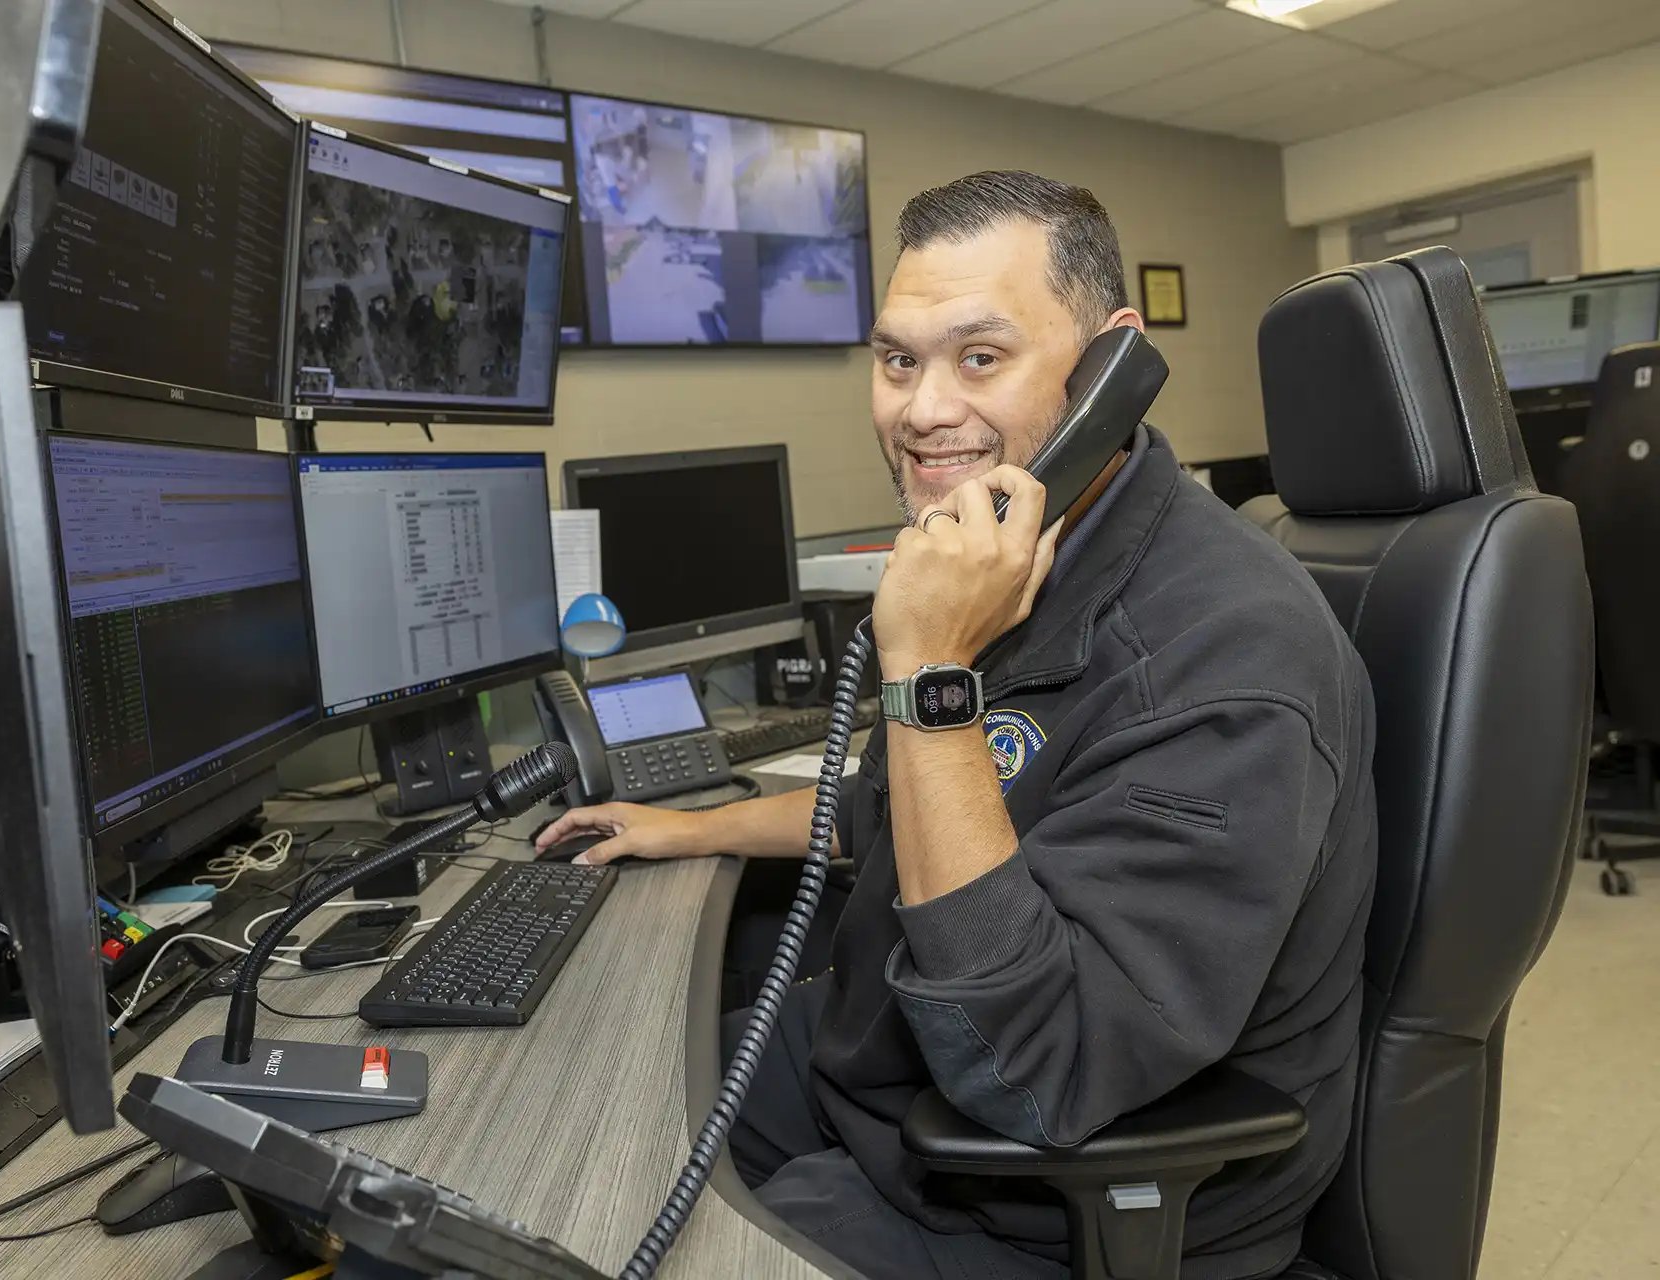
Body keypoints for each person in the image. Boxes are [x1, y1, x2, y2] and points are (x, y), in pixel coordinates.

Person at [536, 171, 1377, 1280]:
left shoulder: (1227, 654)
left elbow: (1038, 1065)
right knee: (572, 1123)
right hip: (894, 1063)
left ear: (1109, 368)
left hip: (1036, 1190)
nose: (923, 409)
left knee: (638, 1239)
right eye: (897, 359)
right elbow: (901, 808)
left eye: (981, 356)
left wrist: (926, 664)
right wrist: (690, 827)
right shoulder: (1020, 558)